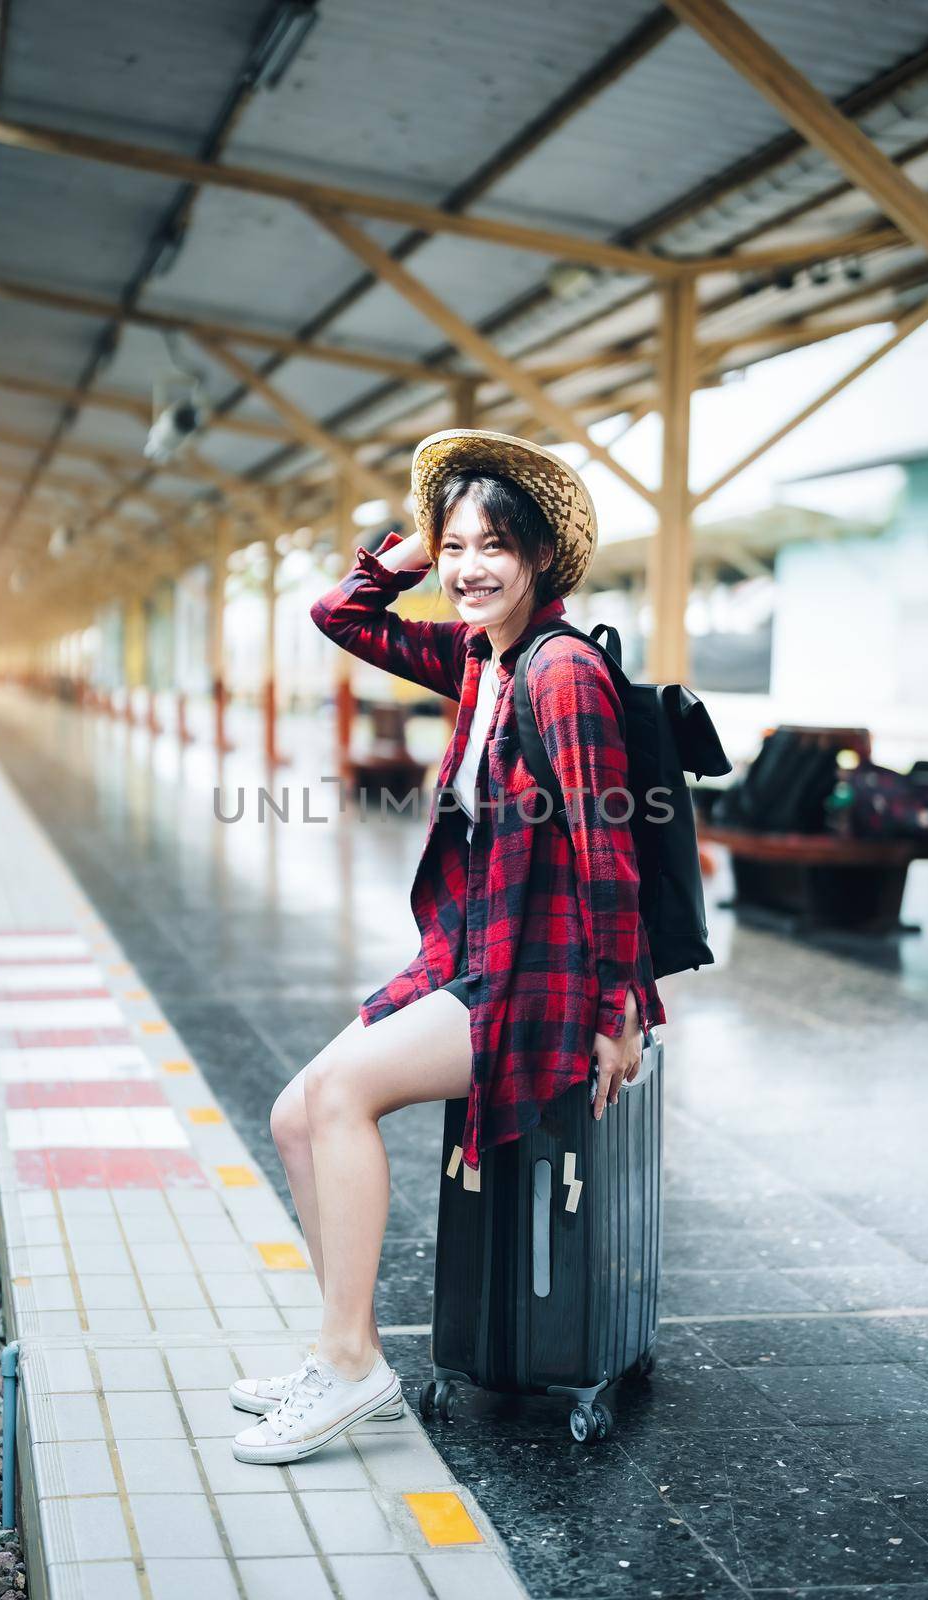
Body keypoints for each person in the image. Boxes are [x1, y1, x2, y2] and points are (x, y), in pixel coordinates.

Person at [229, 429, 665, 1465]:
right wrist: (407, 554)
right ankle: (346, 1348)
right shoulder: (481, 657)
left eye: (495, 549)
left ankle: (348, 1368)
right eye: (455, 545)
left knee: (337, 1099)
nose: (470, 568)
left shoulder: (558, 672)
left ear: (541, 560)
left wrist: (623, 1007)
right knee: (296, 1112)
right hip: (469, 956)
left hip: (537, 978)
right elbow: (339, 614)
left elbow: (610, 844)